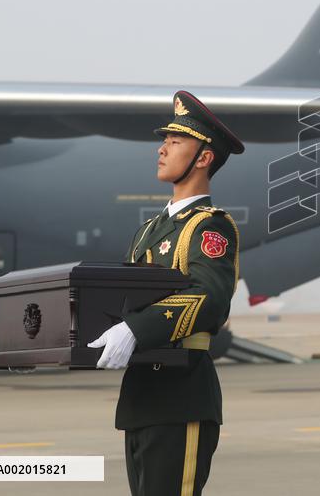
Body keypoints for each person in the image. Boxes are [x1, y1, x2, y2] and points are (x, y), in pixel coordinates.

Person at [87, 90, 244, 496]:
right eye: (165, 140)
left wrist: (136, 330)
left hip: (182, 396)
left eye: (175, 142)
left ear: (204, 157)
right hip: (143, 399)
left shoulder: (209, 227)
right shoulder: (148, 231)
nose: (162, 149)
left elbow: (210, 297)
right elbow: (122, 300)